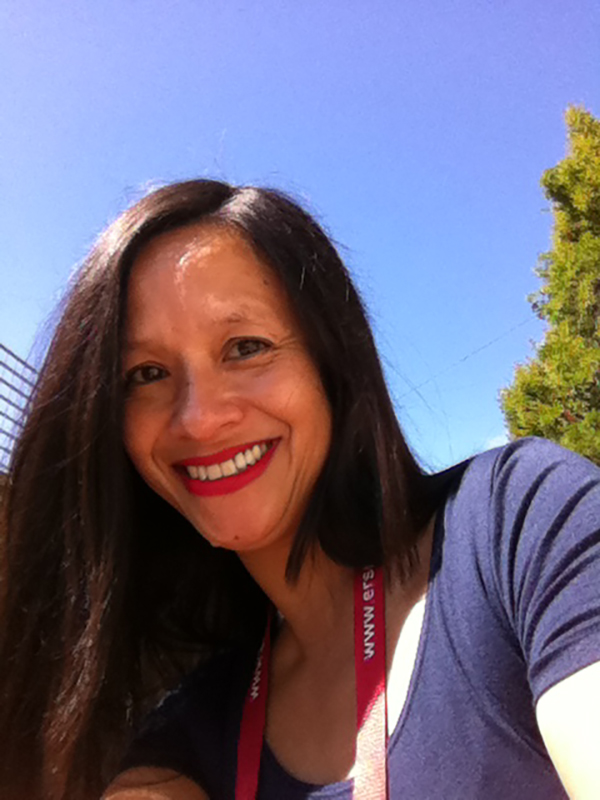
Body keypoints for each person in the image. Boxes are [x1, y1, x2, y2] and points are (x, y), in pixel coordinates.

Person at [0, 180, 598, 800]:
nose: (198, 419)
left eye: (245, 348)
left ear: (330, 365)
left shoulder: (520, 527)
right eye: (147, 374)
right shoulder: (187, 737)